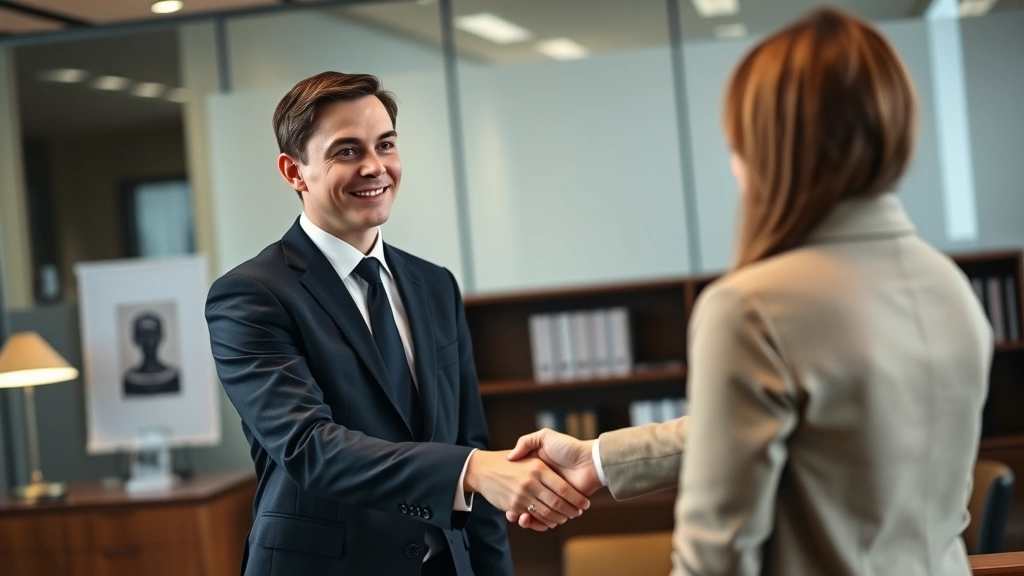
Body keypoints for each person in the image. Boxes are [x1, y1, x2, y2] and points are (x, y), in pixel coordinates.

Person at [508, 8, 992, 576]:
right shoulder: (949, 288)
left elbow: (716, 558)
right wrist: (597, 458)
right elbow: (821, 432)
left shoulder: (753, 308)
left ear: (769, 148)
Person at [205, 72, 589, 576]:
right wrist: (471, 471)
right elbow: (309, 448)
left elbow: (469, 440)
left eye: (385, 144)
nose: (375, 167)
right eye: (346, 151)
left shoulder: (434, 285)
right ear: (294, 172)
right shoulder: (251, 295)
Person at [123, 312, 180, 395]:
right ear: (136, 339)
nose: (150, 341)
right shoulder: (129, 379)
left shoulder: (174, 375)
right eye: (144, 335)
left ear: (160, 337)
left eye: (154, 334)